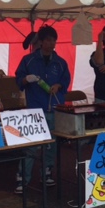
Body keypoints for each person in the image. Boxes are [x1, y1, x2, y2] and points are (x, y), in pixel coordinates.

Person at [14, 25, 71, 193]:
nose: (51, 43)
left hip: (54, 109)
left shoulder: (60, 63)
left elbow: (66, 81)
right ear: (41, 42)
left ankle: (47, 172)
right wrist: (26, 79)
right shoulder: (28, 60)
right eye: (48, 40)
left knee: (51, 144)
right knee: (31, 145)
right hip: (34, 110)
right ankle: (22, 178)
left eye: (54, 40)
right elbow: (18, 80)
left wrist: (58, 85)